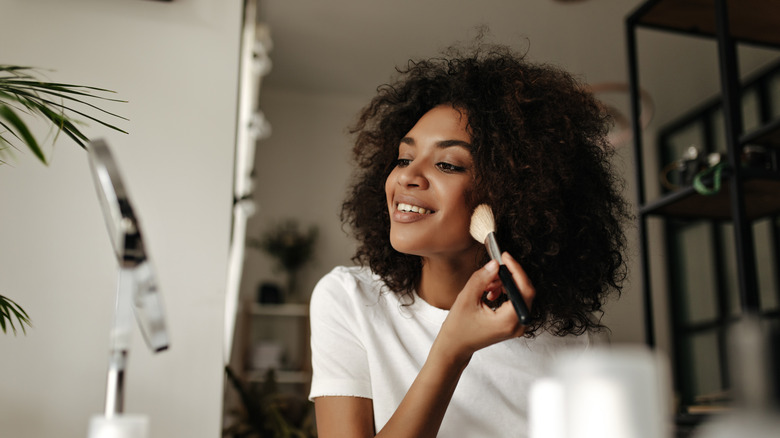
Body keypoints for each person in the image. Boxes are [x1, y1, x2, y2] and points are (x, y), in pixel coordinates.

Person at [308, 41, 631, 437]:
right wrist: (451, 351)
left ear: (514, 195)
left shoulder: (574, 344)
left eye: (447, 164)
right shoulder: (350, 300)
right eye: (404, 158)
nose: (407, 176)